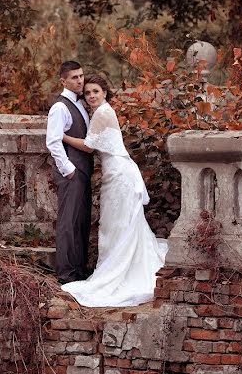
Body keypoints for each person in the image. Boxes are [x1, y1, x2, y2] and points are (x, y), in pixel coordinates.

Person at [60, 73, 168, 307]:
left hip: (120, 175)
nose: (91, 96)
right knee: (116, 225)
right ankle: (122, 266)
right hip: (116, 173)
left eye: (95, 91)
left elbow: (88, 147)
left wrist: (63, 136)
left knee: (118, 225)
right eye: (87, 93)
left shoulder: (103, 112)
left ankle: (118, 273)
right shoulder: (102, 111)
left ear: (105, 93)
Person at [45, 61, 94, 284]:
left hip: (83, 171)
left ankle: (78, 270)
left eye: (81, 76)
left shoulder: (80, 104)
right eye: (74, 77)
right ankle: (66, 274)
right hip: (72, 172)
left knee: (80, 222)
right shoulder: (60, 107)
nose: (80, 80)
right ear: (63, 81)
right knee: (68, 222)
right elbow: (53, 142)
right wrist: (69, 170)